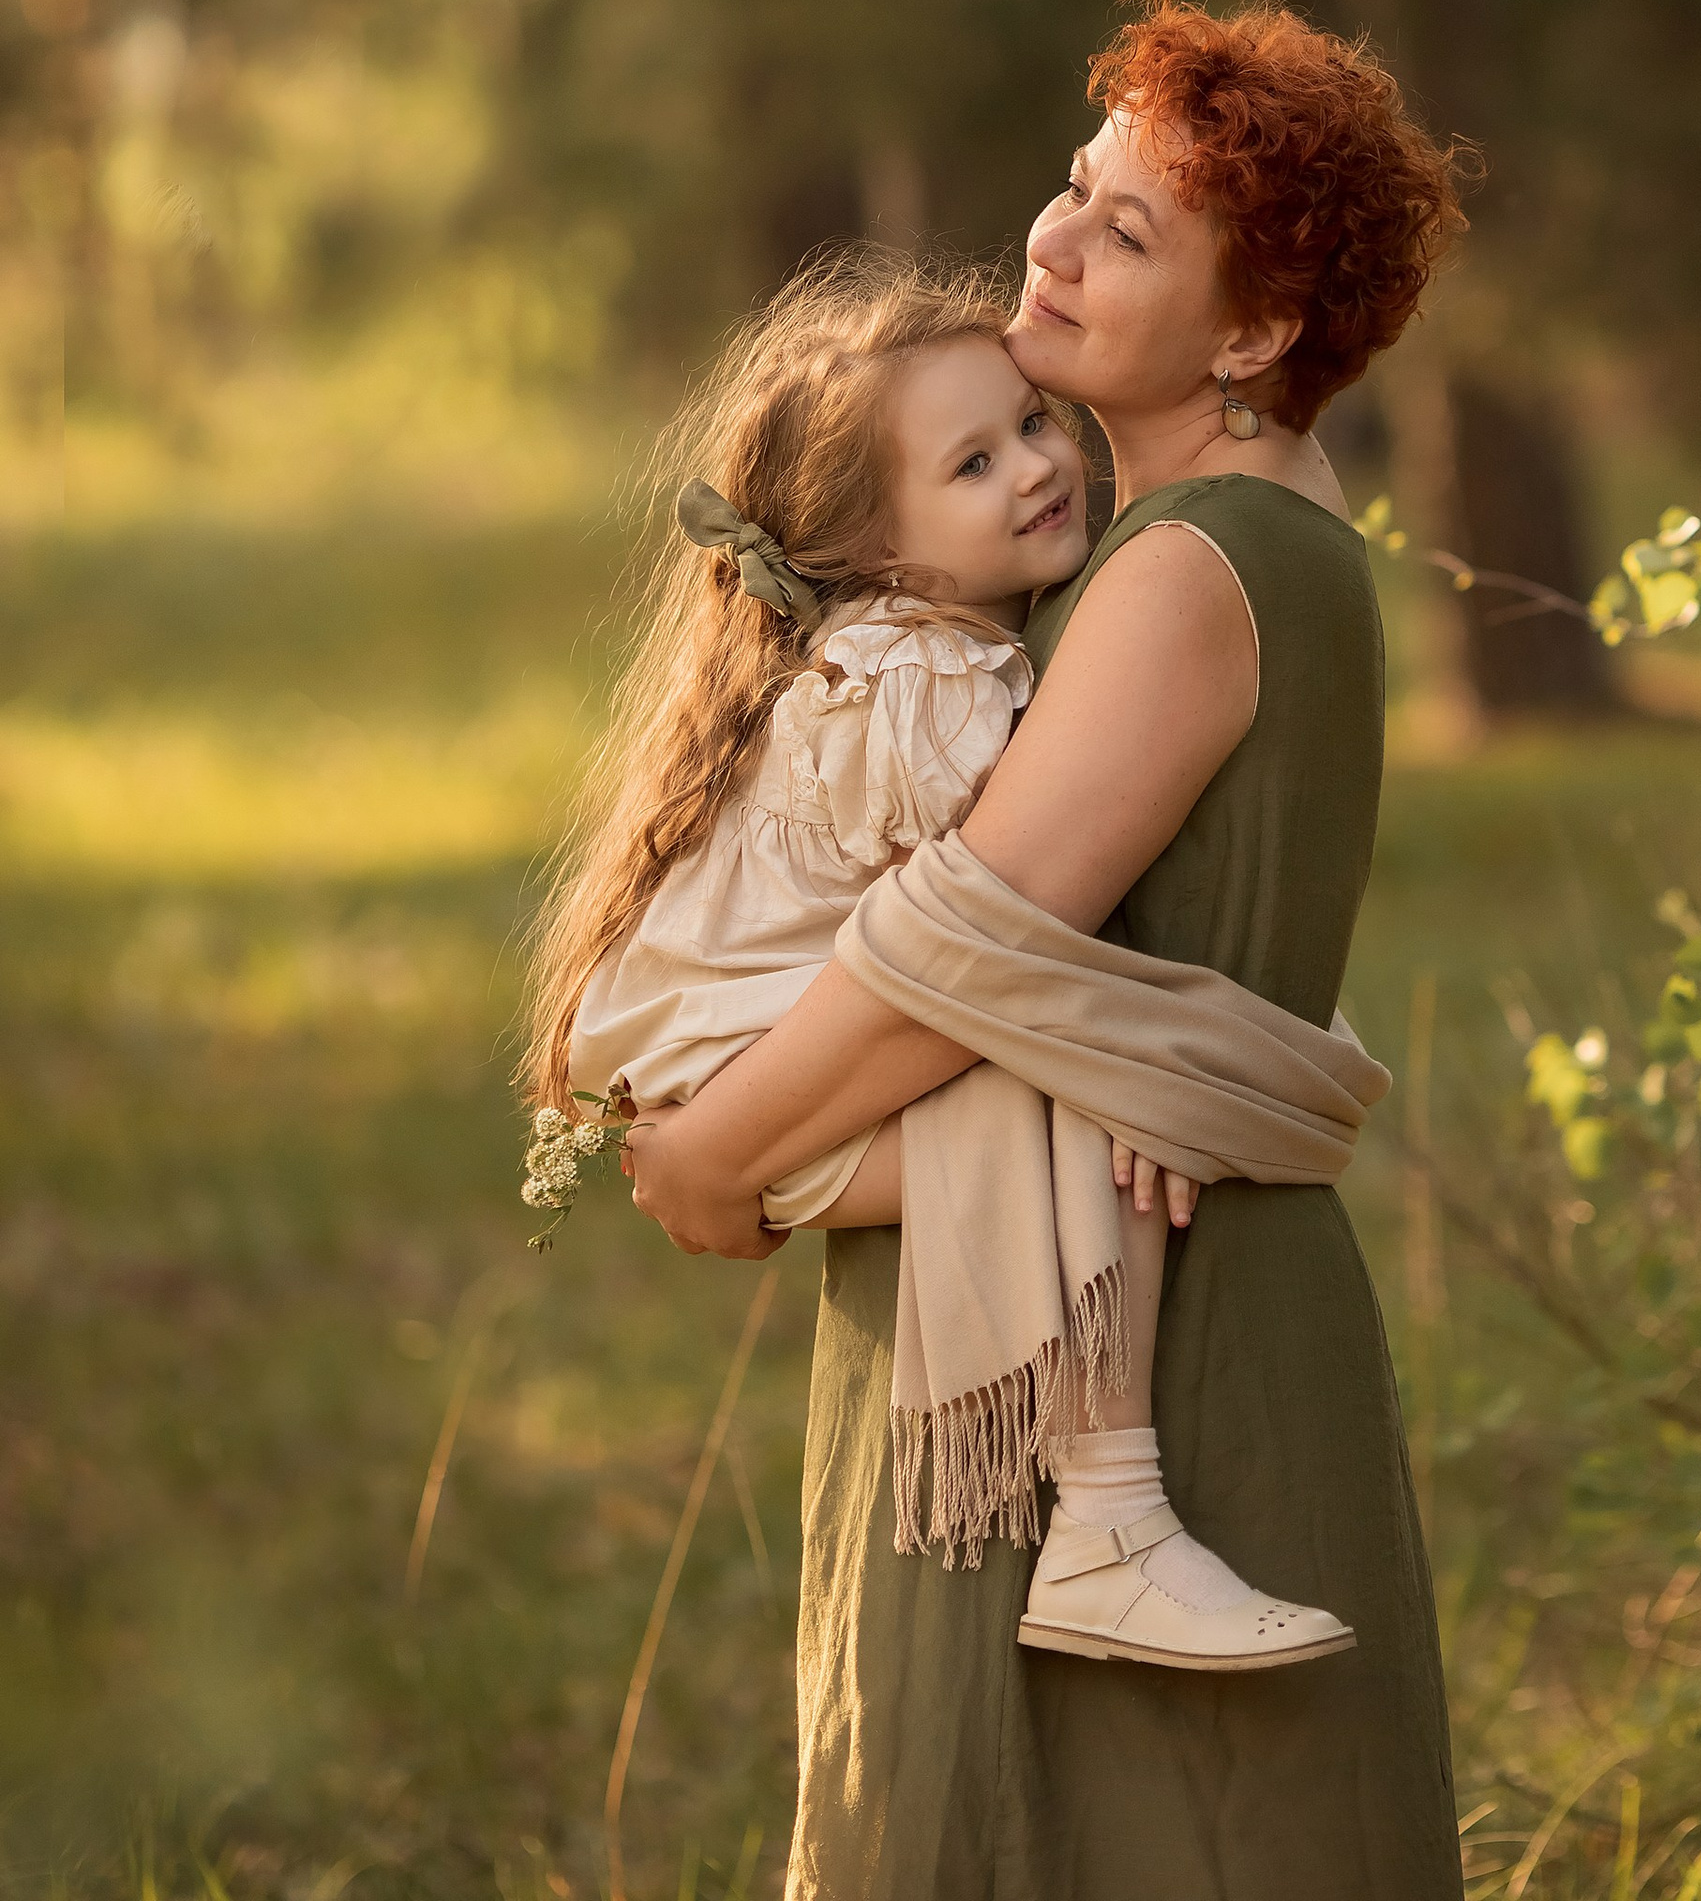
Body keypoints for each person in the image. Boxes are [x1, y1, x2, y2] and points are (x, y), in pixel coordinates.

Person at [627, 0, 1471, 1901]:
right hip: (1073, 1282)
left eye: (1131, 232)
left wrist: (712, 1151)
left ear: (1255, 332)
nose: (1058, 240)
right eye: (1074, 188)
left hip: (1144, 1350)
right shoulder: (1181, 537)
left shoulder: (1189, 570)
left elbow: (961, 948)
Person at [519, 252, 1350, 1669]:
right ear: (885, 558)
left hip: (737, 1063)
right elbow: (996, 945)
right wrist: (1150, 1068)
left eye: (1030, 425)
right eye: (973, 464)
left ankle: (1099, 1525)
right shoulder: (925, 682)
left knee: (1094, 1110)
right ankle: (1108, 1528)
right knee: (1095, 1127)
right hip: (746, 1081)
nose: (1037, 467)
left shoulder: (928, 644)